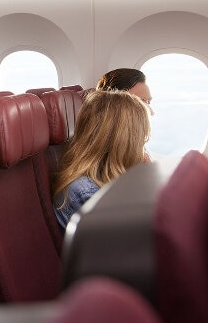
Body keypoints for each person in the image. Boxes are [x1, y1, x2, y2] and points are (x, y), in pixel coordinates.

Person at [52, 90, 151, 229]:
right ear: (124, 143)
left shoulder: (105, 178)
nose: (143, 149)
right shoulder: (85, 191)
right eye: (141, 140)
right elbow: (132, 239)